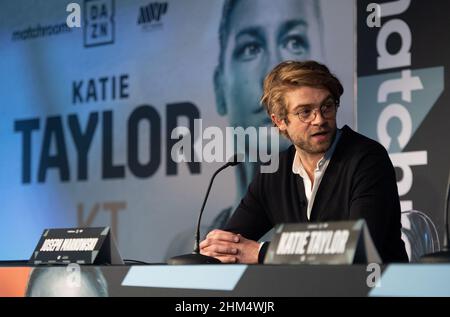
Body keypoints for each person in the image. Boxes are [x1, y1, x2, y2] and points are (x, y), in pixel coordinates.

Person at [200, 60, 408, 264]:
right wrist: (216, 248)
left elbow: (359, 248)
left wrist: (263, 252)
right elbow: (231, 242)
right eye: (305, 112)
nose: (319, 119)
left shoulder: (367, 158)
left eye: (327, 106)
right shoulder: (273, 173)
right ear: (279, 121)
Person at [165, 0, 326, 260]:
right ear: (220, 88)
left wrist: (260, 253)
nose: (274, 72)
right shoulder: (269, 179)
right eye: (251, 48)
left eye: (294, 42)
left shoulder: (360, 160)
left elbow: (353, 255)